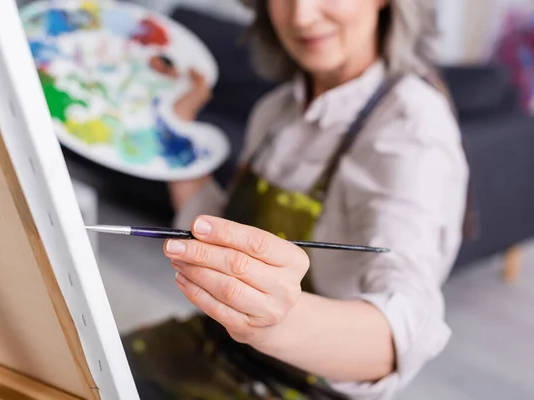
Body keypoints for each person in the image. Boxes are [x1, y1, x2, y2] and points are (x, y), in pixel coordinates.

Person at [122, 0, 471, 399]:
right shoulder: (275, 110)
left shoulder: (413, 130)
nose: (301, 16)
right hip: (215, 347)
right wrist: (176, 132)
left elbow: (407, 327)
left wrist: (276, 321)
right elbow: (220, 231)